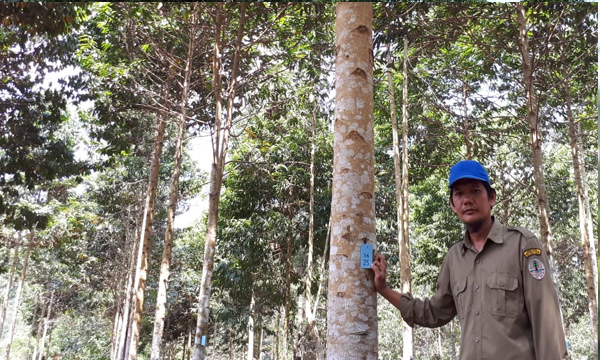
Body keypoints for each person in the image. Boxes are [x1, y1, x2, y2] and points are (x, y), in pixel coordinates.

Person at [371, 160, 568, 360]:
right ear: (452, 204)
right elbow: (433, 312)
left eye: (475, 191)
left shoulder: (522, 244)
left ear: (491, 198)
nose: (467, 200)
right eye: (459, 194)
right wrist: (383, 289)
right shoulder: (454, 258)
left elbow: (546, 319)